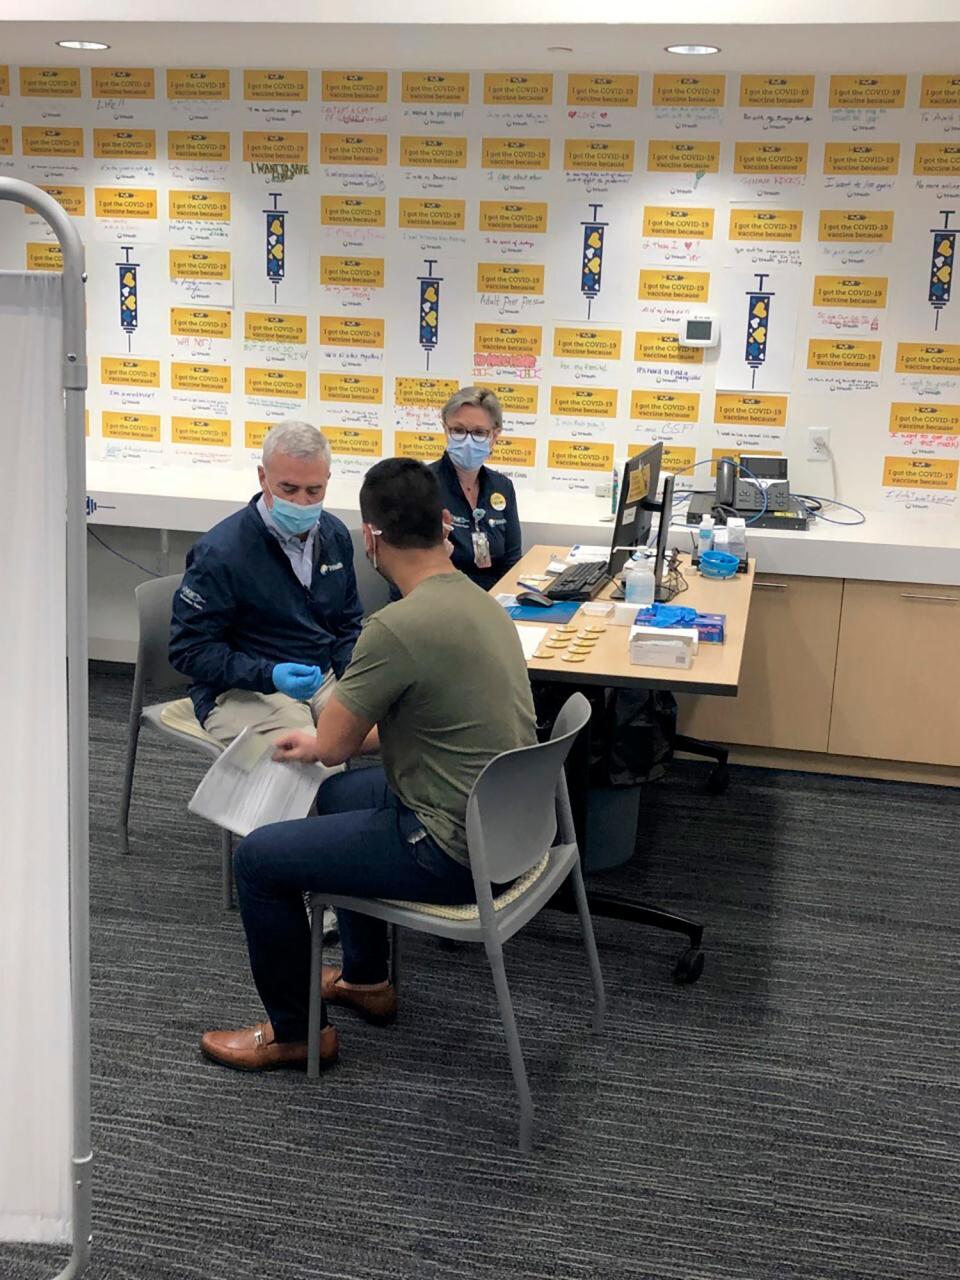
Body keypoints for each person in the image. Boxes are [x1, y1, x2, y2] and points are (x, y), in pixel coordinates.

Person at [200, 457, 538, 1072]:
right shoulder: (483, 601)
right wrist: (334, 743)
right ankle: (365, 978)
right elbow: (419, 724)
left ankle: (298, 1033)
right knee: (337, 797)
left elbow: (331, 745)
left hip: (451, 848)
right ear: (444, 523)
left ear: (371, 537)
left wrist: (327, 741)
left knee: (258, 861)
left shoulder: (397, 626)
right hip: (509, 827)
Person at [169, 421, 363, 744]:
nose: (302, 502)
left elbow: (348, 624)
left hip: (321, 676)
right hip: (241, 689)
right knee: (313, 755)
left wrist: (356, 681)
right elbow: (189, 650)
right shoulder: (221, 553)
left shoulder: (335, 536)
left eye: (314, 490)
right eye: (288, 489)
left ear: (328, 481)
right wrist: (269, 674)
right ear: (263, 478)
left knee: (393, 729)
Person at [430, 386, 522, 591]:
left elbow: (512, 562)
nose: (468, 441)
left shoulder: (502, 487)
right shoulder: (422, 487)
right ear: (446, 430)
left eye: (479, 433)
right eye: (459, 430)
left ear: (495, 436)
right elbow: (409, 571)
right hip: (443, 604)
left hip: (493, 603)